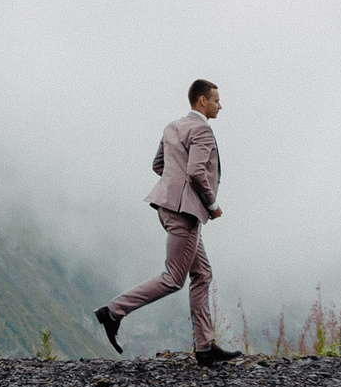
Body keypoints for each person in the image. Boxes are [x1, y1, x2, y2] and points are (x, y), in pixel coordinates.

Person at [96, 79, 240, 366]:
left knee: (202, 274)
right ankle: (113, 311)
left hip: (167, 206)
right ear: (202, 101)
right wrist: (212, 205)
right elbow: (197, 172)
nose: (220, 106)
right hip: (185, 213)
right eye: (216, 100)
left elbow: (158, 165)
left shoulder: (173, 126)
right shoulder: (202, 131)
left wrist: (174, 189)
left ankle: (205, 346)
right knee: (174, 278)